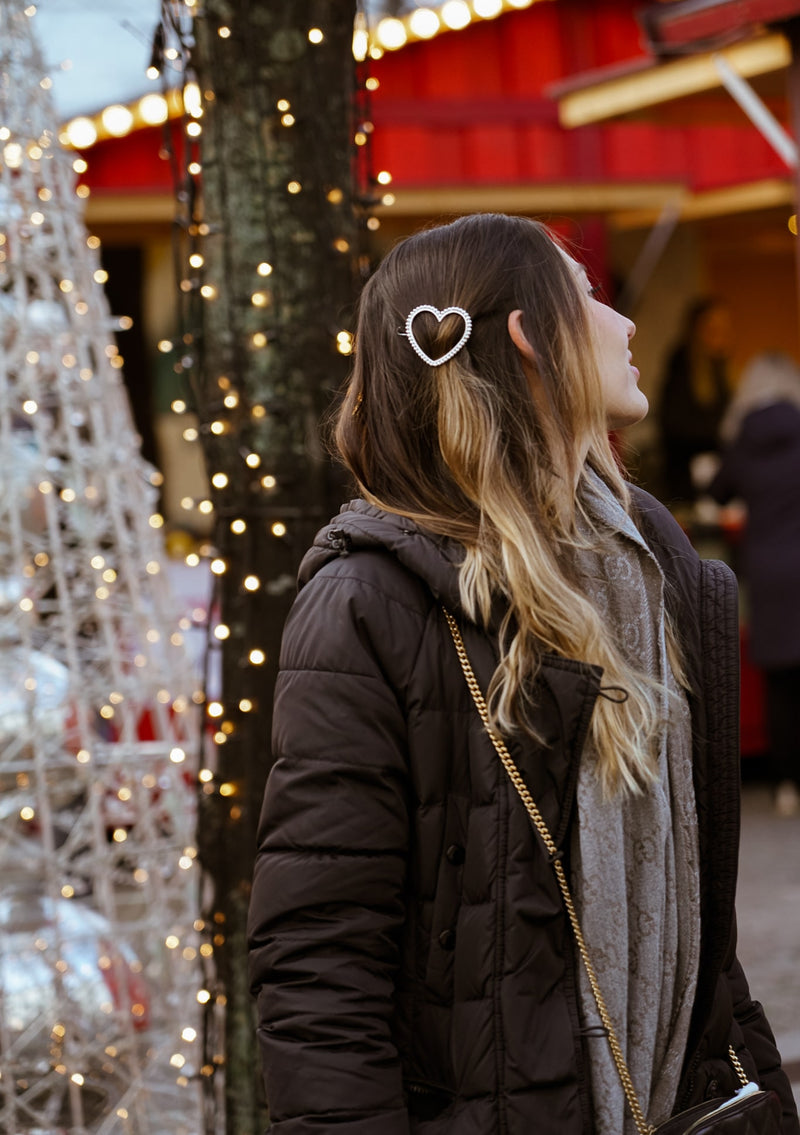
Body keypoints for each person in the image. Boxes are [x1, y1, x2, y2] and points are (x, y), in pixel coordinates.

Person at [247, 215, 798, 1134]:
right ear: (528, 336)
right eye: (588, 298)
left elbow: (694, 923)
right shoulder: (370, 600)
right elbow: (319, 962)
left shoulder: (652, 565)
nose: (624, 323)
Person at [710, 352, 800, 817]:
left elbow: (717, 492)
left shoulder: (743, 439)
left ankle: (786, 783)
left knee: (780, 682)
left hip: (767, 572)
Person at [658, 297, 732, 503]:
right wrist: (722, 435)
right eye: (713, 329)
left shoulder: (721, 370)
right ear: (697, 331)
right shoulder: (682, 370)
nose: (721, 336)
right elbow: (675, 426)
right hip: (688, 481)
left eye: (725, 329)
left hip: (715, 478)